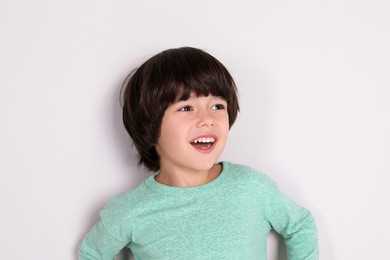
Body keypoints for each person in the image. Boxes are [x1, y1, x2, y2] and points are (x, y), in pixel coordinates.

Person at [78, 47, 319, 259]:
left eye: (217, 106)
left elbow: (300, 225)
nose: (207, 119)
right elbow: (91, 253)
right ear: (149, 125)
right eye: (186, 107)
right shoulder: (130, 210)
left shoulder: (252, 189)